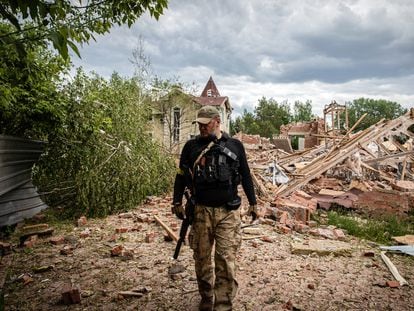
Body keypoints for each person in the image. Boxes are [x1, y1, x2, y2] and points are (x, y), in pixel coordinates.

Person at [172, 105, 258, 311]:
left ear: (217, 121)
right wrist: (176, 202)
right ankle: (206, 296)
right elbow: (181, 176)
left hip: (228, 212)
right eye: (199, 124)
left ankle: (223, 304)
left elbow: (246, 175)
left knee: (225, 259)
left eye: (206, 124)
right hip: (200, 211)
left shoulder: (235, 146)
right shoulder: (190, 147)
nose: (202, 128)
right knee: (201, 258)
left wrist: (253, 203)